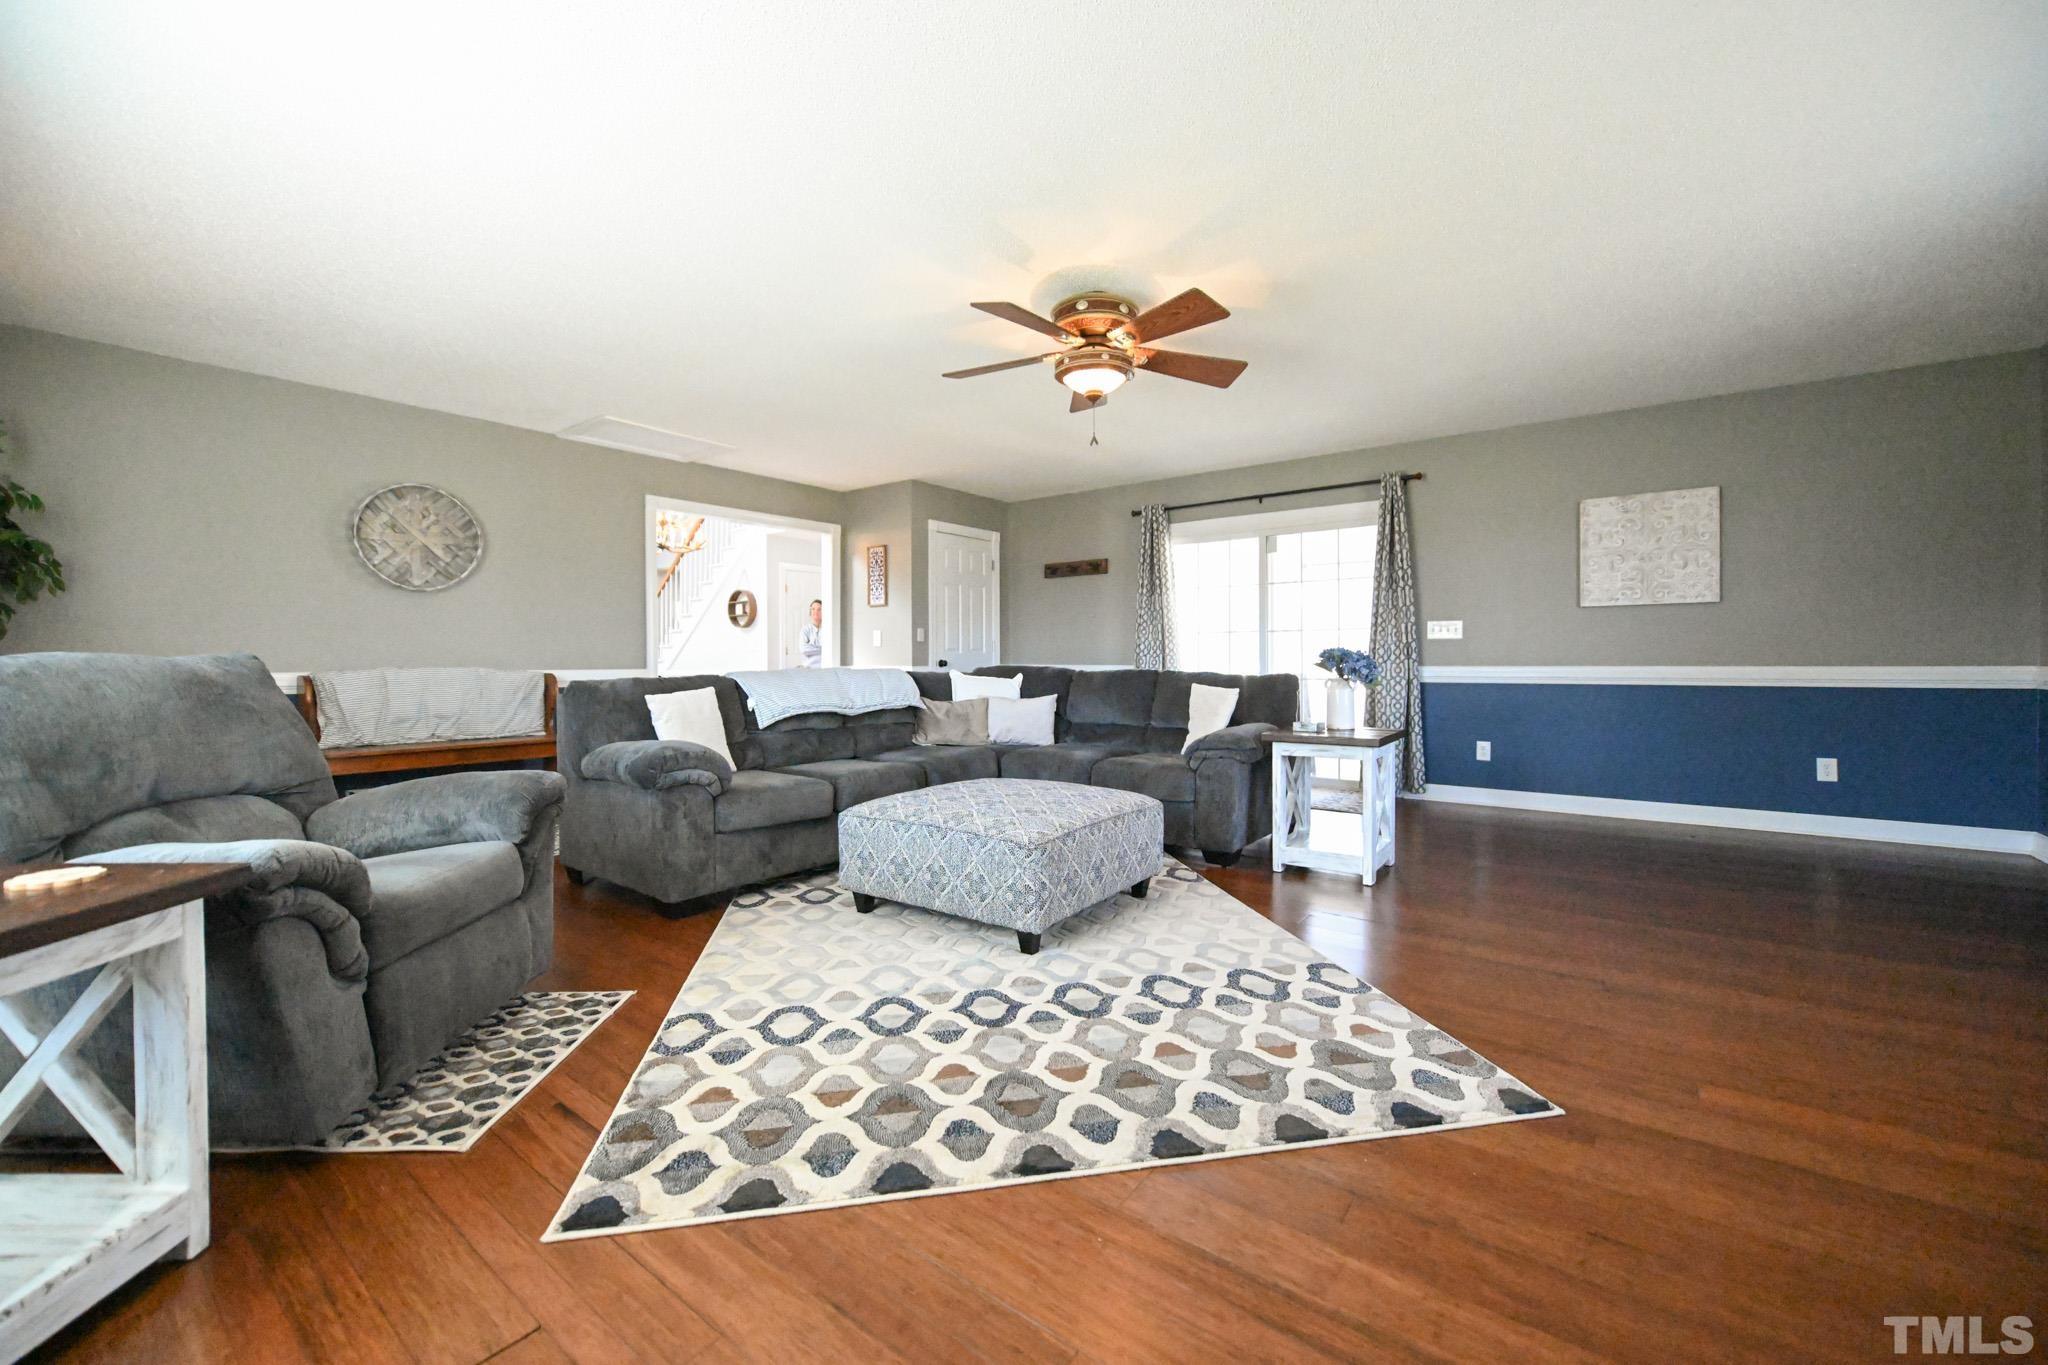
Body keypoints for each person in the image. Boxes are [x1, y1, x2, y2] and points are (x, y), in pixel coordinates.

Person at [798, 598, 824, 668]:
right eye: (813, 609)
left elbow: (831, 649)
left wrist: (811, 648)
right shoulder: (805, 630)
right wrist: (824, 649)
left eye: (819, 609)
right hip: (808, 667)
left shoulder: (828, 630)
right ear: (810, 612)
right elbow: (804, 649)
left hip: (824, 667)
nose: (816, 611)